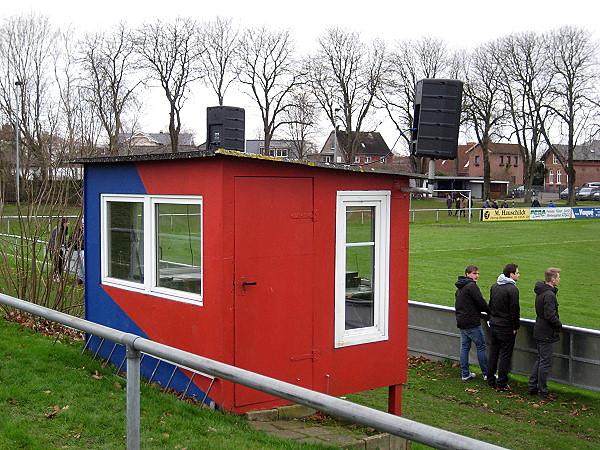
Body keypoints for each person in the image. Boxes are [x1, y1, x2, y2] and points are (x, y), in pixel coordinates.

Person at [528, 268, 562, 399]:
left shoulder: (541, 292)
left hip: (540, 329)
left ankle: (532, 387)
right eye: (558, 277)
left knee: (540, 359)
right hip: (546, 331)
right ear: (552, 279)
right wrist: (558, 325)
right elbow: (550, 315)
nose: (559, 279)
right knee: (545, 362)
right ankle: (542, 391)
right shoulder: (549, 295)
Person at [487, 263, 521, 392]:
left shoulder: (495, 286)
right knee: (505, 356)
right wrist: (515, 326)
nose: (519, 275)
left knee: (494, 353)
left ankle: (491, 380)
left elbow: (491, 305)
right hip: (506, 327)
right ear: (511, 275)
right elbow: (514, 309)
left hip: (494, 325)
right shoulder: (512, 290)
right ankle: (501, 383)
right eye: (517, 273)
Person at [455, 265, 491, 381]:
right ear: (467, 274)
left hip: (462, 321)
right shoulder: (471, 287)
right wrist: (490, 312)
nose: (477, 276)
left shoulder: (460, 287)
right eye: (474, 273)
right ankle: (487, 374)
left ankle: (465, 373)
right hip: (472, 322)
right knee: (481, 347)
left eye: (478, 274)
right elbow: (480, 302)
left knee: (465, 347)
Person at [68, 217, 85, 285]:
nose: (82, 225)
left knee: (84, 265)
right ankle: (81, 279)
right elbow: (71, 239)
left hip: (83, 250)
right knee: (78, 265)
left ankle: (86, 280)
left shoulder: (87, 232)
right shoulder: (75, 231)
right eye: (82, 223)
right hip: (76, 250)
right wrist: (68, 245)